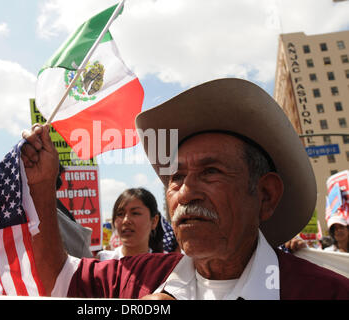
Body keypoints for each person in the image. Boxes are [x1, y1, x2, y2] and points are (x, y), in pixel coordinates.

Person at [22, 78, 349, 299]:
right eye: (175, 177)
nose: (185, 191)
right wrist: (40, 186)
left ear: (265, 195)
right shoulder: (139, 278)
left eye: (211, 171)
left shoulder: (326, 292)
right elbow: (59, 278)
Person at [96, 188, 163, 260]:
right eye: (120, 214)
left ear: (154, 221)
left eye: (135, 213)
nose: (126, 220)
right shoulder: (102, 261)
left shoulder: (165, 266)